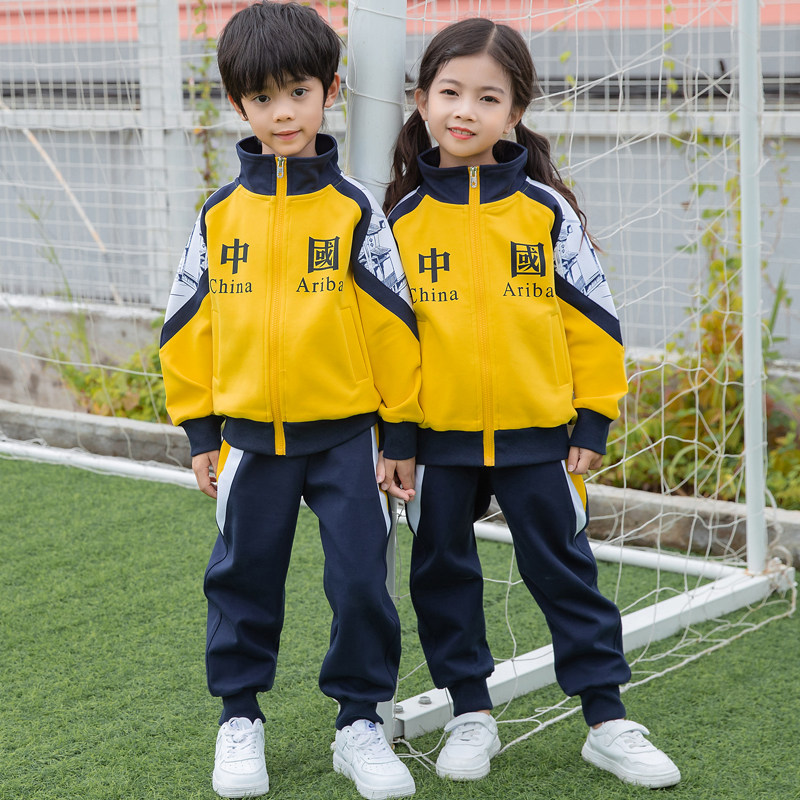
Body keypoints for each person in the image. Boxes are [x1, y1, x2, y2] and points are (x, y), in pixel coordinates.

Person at [383, 17, 681, 790]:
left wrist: (593, 414)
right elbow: (389, 341)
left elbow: (594, 319)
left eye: (488, 97)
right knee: (443, 577)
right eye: (450, 92)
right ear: (421, 99)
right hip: (439, 442)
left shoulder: (545, 212)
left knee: (566, 572)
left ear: (515, 111)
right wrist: (399, 435)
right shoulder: (400, 221)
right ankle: (470, 713)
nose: (465, 110)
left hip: (540, 437)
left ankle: (607, 720)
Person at [159, 3, 421, 798]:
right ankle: (240, 718)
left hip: (347, 439)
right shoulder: (218, 216)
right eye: (263, 97)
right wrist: (200, 428)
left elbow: (394, 327)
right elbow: (186, 325)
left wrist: (400, 434)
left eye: (299, 92)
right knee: (242, 579)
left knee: (362, 582)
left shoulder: (354, 210)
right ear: (238, 104)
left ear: (330, 91)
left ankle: (359, 724)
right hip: (248, 441)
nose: (283, 113)